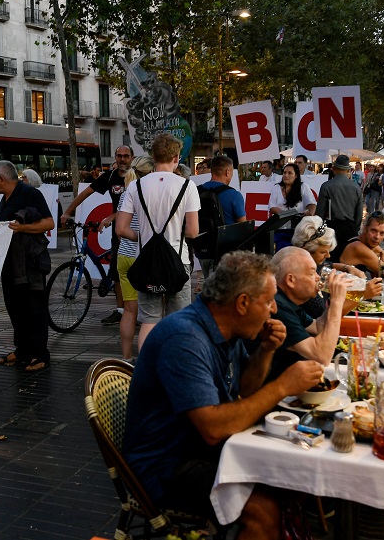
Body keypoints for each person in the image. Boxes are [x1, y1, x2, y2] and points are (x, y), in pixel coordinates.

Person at [123, 251, 325, 539]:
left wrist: (266, 350)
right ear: (242, 303)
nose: (274, 310)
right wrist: (282, 386)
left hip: (203, 449)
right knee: (263, 510)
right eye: (268, 301)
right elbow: (214, 428)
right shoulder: (184, 339)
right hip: (166, 465)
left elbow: (244, 387)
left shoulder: (226, 328)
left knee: (295, 474)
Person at [116, 133, 199, 350]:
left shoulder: (135, 186)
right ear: (176, 157)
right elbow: (193, 231)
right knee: (179, 321)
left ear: (153, 156)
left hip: (146, 262)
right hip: (177, 262)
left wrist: (145, 237)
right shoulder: (187, 186)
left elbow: (121, 229)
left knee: (149, 320)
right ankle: (173, 370)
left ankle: (146, 370)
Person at [0, 160, 54, 372]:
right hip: (9, 262)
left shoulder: (29, 193)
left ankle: (40, 354)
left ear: (1, 179)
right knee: (14, 307)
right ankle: (23, 350)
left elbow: (49, 223)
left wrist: (24, 228)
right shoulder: (4, 198)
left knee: (34, 307)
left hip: (30, 262)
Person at [62, 146, 133, 326]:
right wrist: (67, 212)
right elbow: (86, 193)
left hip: (137, 230)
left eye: (126, 156)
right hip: (119, 231)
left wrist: (112, 216)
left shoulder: (138, 177)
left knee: (136, 271)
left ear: (132, 157)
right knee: (117, 271)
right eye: (119, 156)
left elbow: (135, 207)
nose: (122, 159)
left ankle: (138, 311)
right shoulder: (110, 176)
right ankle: (120, 310)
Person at [265, 246, 352, 381]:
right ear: (290, 280)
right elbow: (322, 356)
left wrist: (343, 300)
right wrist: (336, 302)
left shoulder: (287, 301)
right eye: (312, 273)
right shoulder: (277, 306)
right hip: (271, 392)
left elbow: (318, 327)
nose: (318, 277)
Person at [292, 216, 381, 319]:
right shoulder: (303, 280)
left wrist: (347, 267)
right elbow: (325, 317)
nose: (328, 255)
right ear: (306, 250)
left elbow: (326, 264)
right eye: (322, 252)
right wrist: (362, 295)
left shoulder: (307, 263)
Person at [111, 155, 153, 360]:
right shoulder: (149, 194)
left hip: (123, 256)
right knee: (150, 314)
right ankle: (146, 361)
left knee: (129, 312)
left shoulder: (126, 193)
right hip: (141, 258)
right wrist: (142, 237)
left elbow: (119, 229)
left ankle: (126, 358)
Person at [198, 155, 247, 277]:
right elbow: (243, 227)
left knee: (208, 286)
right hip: (224, 252)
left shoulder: (196, 190)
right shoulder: (234, 195)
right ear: (228, 172)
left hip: (201, 250)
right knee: (221, 291)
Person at [315, 154, 363, 261]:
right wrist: (355, 228)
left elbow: (319, 213)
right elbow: (359, 213)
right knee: (349, 260)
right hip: (350, 227)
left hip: (332, 227)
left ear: (334, 169)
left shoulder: (326, 186)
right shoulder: (356, 187)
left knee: (332, 259)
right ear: (348, 170)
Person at [268, 162, 316, 249]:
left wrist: (309, 213)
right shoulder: (276, 188)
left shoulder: (303, 187)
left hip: (298, 229)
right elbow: (272, 207)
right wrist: (286, 215)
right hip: (280, 228)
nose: (286, 175)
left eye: (290, 173)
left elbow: (312, 204)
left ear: (296, 175)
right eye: (284, 173)